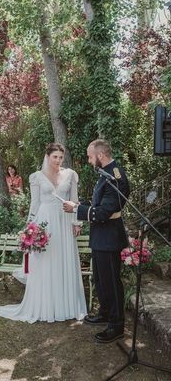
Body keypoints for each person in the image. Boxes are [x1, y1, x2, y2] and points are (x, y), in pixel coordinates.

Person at [0, 143, 87, 324]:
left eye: (61, 157)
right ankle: (46, 305)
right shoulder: (36, 177)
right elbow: (35, 203)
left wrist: (77, 222)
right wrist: (30, 227)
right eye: (55, 157)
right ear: (48, 157)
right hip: (44, 222)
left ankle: (66, 305)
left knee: (64, 260)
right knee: (45, 262)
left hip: (64, 220)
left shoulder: (70, 175)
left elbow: (75, 200)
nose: (58, 160)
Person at [63, 139, 129, 343]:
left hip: (109, 237)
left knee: (111, 282)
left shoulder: (116, 176)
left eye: (90, 156)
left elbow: (103, 212)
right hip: (101, 236)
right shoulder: (105, 173)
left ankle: (116, 326)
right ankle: (106, 313)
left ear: (100, 156)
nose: (89, 160)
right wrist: (79, 204)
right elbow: (98, 204)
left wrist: (76, 209)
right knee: (101, 281)